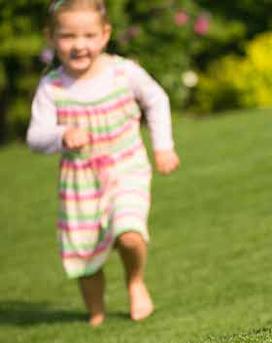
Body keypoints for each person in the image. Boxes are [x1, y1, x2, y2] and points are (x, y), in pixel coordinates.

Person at [26, 0, 180, 327]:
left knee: (129, 233)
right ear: (51, 37)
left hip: (126, 168)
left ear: (105, 34)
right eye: (68, 36)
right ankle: (96, 310)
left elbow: (156, 99)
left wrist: (163, 146)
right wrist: (62, 134)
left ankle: (135, 281)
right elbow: (35, 136)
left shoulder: (123, 72)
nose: (79, 45)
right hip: (79, 182)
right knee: (85, 254)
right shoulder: (51, 87)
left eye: (88, 35)